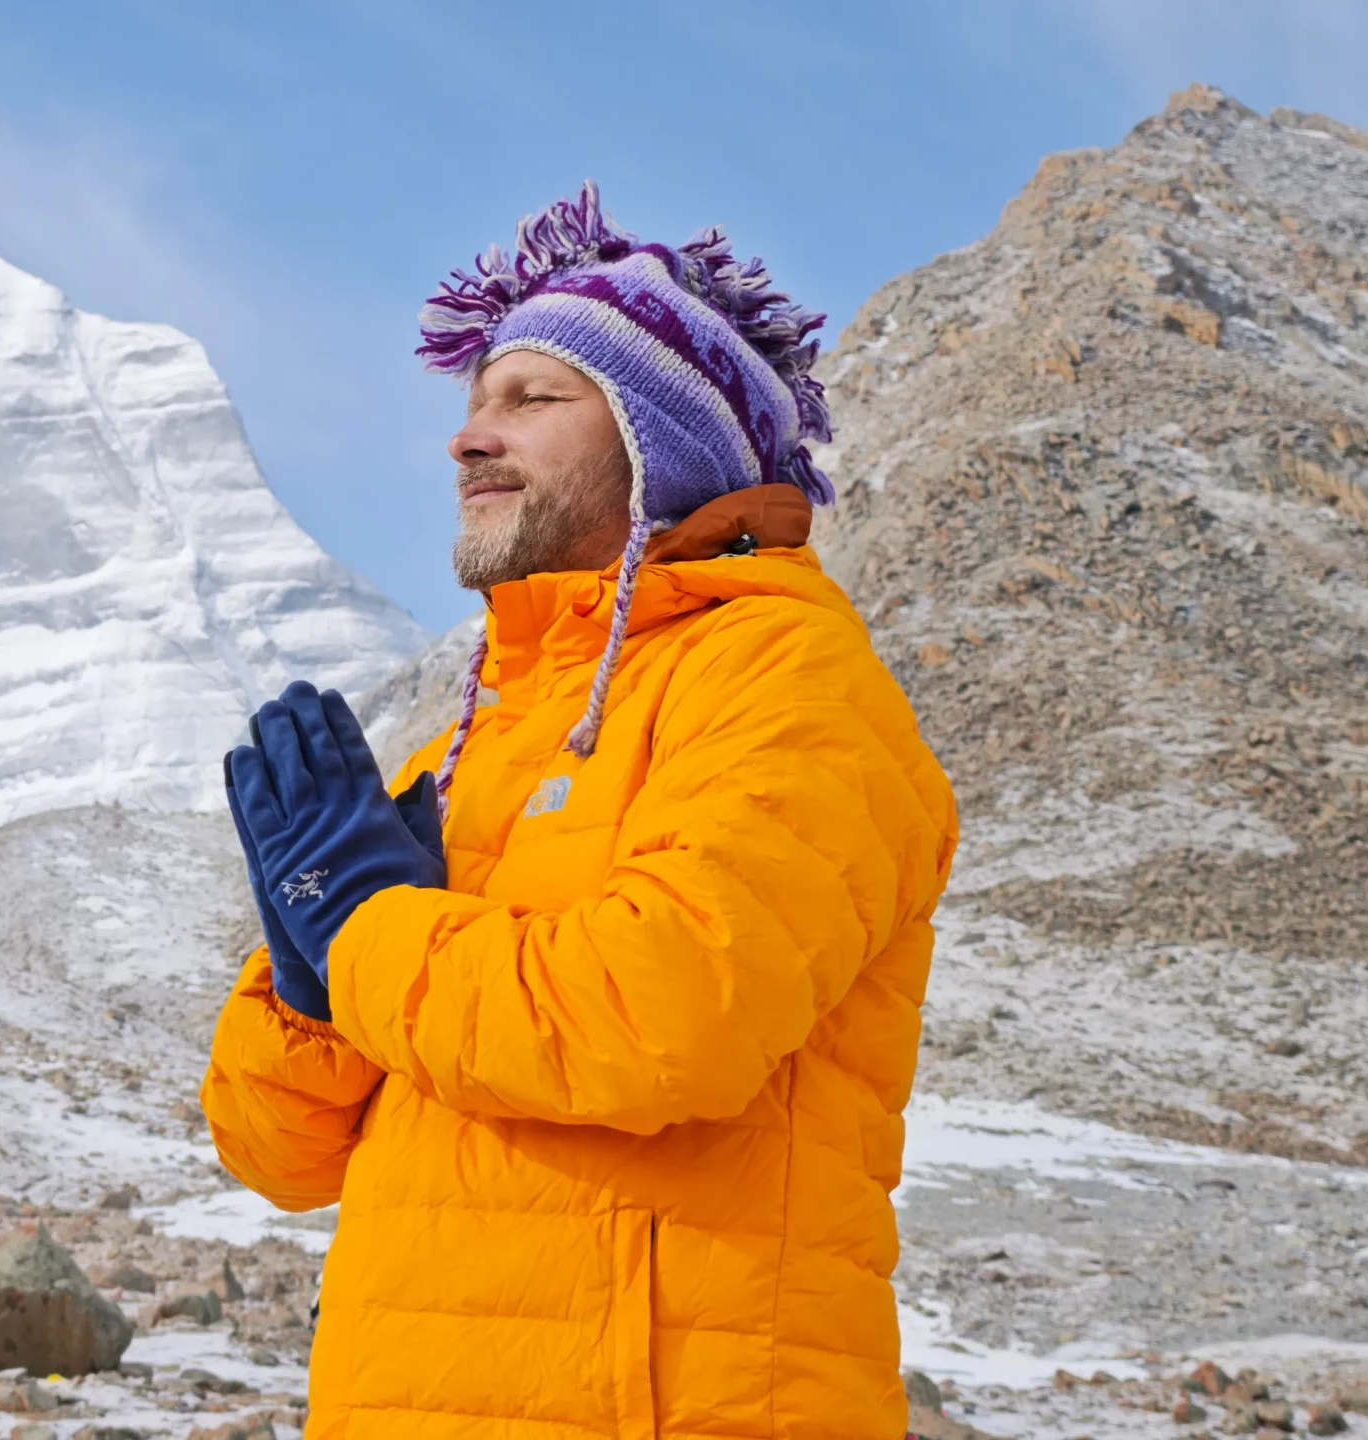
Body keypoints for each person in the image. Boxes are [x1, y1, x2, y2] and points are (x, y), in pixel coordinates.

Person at [202, 185, 958, 1438]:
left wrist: (366, 925)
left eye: (530, 399)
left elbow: (659, 1016)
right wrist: (305, 972)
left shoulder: (787, 685)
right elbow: (273, 1153)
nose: (466, 439)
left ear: (665, 441)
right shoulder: (473, 743)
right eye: (470, 403)